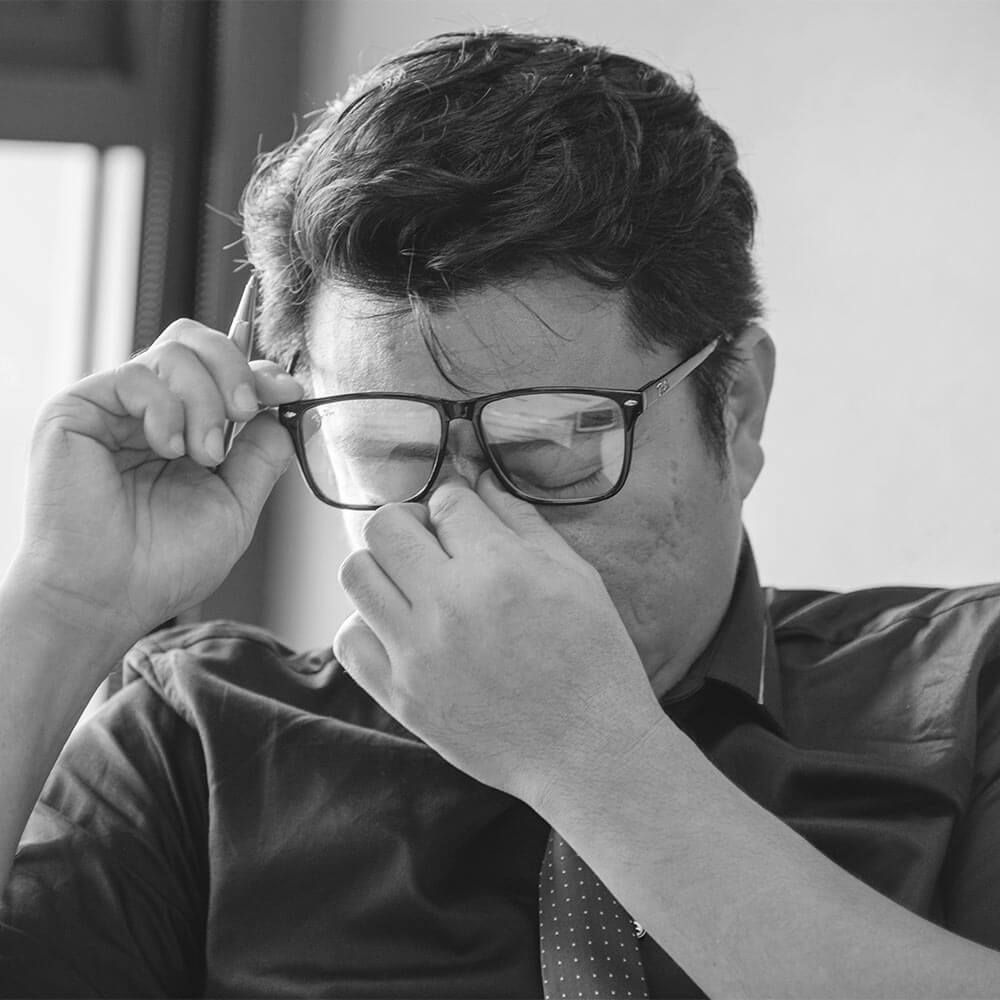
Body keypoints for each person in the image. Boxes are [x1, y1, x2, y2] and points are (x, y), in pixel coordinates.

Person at [1, 28, 999, 998]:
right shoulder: (194, 749)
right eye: (391, 447)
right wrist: (59, 608)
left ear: (734, 408)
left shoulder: (969, 693)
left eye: (548, 451)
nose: (465, 527)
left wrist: (593, 759)